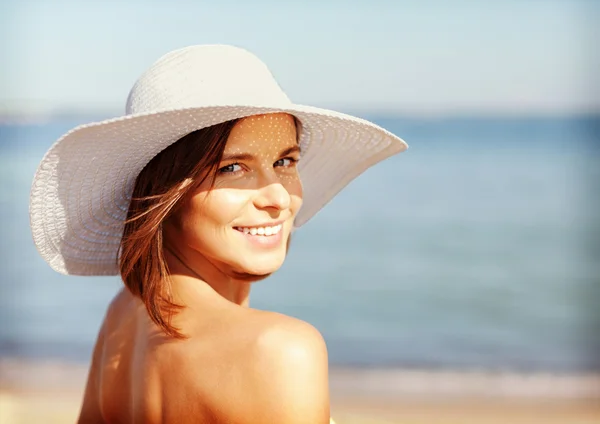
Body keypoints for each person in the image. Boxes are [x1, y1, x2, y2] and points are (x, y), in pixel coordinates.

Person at [30, 44, 408, 423]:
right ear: (168, 192)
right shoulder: (279, 351)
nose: (278, 197)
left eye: (284, 161)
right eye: (232, 168)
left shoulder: (126, 313)